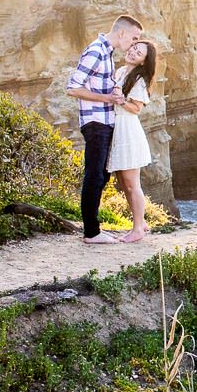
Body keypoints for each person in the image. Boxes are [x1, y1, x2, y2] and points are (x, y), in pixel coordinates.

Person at [66, 15, 143, 244]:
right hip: (96, 122)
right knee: (93, 175)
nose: (134, 42)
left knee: (101, 176)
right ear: (121, 33)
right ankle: (91, 232)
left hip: (105, 122)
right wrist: (107, 98)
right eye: (134, 37)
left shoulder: (107, 53)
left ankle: (94, 228)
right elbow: (73, 88)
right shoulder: (96, 51)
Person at [108, 39, 158, 243]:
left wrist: (121, 100)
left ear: (143, 62)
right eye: (134, 49)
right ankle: (141, 222)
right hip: (118, 128)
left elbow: (136, 108)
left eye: (138, 54)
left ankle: (138, 228)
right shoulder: (121, 72)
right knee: (123, 181)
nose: (132, 53)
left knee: (131, 182)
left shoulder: (139, 79)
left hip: (128, 130)